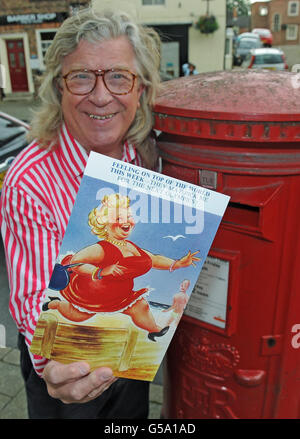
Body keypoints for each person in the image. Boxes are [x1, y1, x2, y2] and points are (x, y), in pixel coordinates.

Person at [0, 7, 163, 419]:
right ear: (59, 88)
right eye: (82, 77)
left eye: (118, 76)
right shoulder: (31, 179)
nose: (101, 94)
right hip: (67, 360)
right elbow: (38, 291)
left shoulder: (144, 155)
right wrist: (53, 366)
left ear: (140, 89)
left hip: (130, 350)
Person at [44, 193, 200, 341]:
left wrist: (179, 263)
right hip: (93, 294)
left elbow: (154, 259)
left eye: (129, 216)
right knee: (76, 316)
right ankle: (55, 303)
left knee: (141, 307)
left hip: (120, 295)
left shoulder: (132, 247)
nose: (126, 221)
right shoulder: (101, 249)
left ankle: (154, 330)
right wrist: (101, 271)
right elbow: (75, 263)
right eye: (118, 217)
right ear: (105, 223)